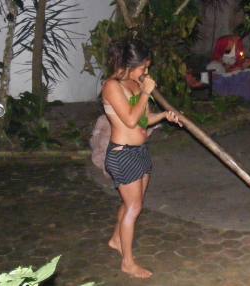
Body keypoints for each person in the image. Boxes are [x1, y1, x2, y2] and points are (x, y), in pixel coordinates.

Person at [102, 40, 182, 279]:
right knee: (134, 207)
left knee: (131, 204)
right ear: (129, 65)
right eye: (143, 68)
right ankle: (127, 262)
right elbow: (128, 120)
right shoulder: (112, 86)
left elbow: (143, 119)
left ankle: (117, 239)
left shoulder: (135, 83)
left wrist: (165, 115)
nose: (145, 72)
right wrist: (146, 91)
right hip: (122, 154)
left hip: (140, 152)